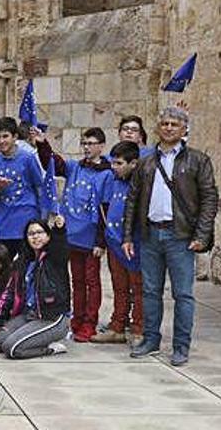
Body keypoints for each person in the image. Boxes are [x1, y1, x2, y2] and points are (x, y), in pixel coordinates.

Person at [123, 107, 218, 366]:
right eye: (164, 123)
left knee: (183, 294)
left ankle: (180, 346)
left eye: (174, 124)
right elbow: (132, 199)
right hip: (151, 234)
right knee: (151, 291)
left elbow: (210, 199)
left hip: (181, 236)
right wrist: (128, 236)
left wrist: (201, 234)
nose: (168, 128)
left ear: (184, 129)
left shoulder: (198, 160)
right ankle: (151, 340)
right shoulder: (146, 161)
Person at [35, 127, 112, 342]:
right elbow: (54, 164)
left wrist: (101, 241)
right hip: (71, 235)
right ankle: (76, 319)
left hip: (91, 237)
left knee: (91, 281)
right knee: (76, 281)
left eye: (91, 143)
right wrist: (43, 144)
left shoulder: (107, 174)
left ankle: (90, 322)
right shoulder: (75, 167)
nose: (87, 147)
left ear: (101, 146)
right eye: (84, 143)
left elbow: (105, 209)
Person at [0, 216, 70, 359]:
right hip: (28, 315)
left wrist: (59, 230)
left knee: (11, 348)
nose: (36, 237)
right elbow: (10, 292)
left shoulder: (54, 258)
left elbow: (61, 247)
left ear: (48, 236)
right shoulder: (23, 261)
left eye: (40, 232)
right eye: (31, 234)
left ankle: (50, 349)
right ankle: (32, 340)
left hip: (51, 318)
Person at [91, 141, 142, 345]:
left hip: (135, 243)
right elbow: (103, 210)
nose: (114, 167)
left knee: (138, 288)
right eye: (113, 162)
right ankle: (117, 327)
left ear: (133, 164)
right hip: (114, 242)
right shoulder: (110, 181)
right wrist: (102, 241)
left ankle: (139, 329)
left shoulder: (142, 183)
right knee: (119, 287)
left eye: (119, 163)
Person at [0, 117, 45, 260]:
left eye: (6, 136)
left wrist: (43, 218)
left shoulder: (28, 159)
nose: (2, 141)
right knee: (4, 269)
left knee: (28, 267)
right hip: (3, 225)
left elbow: (39, 187)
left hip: (26, 221)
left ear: (15, 137)